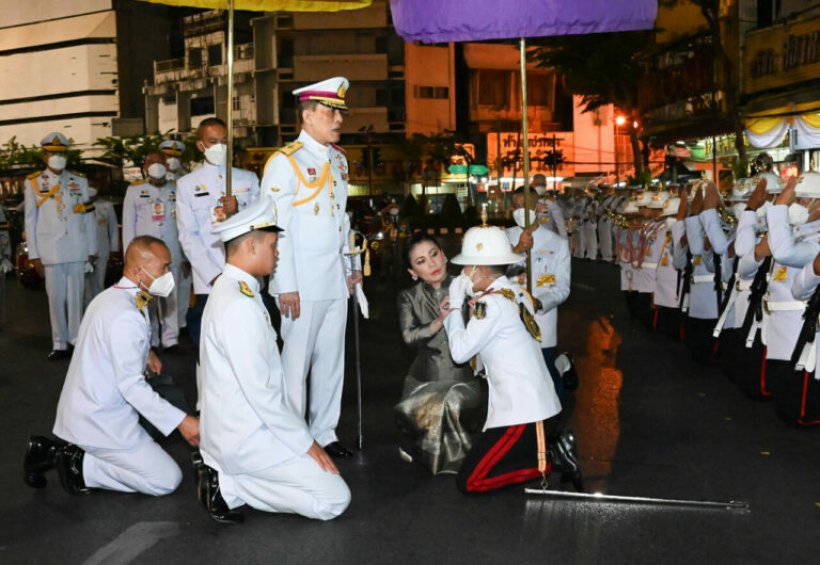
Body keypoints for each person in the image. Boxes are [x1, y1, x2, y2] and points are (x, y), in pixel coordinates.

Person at [196, 197, 351, 523]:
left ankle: (230, 480)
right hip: (246, 436)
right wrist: (307, 443)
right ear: (251, 245)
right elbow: (261, 393)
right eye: (272, 244)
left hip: (243, 428)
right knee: (334, 500)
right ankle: (228, 483)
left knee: (324, 486)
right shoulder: (239, 304)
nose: (277, 251)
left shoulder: (232, 291)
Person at [23, 236, 200, 496]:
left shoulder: (120, 295)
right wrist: (182, 422)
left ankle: (66, 452)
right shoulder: (125, 316)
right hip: (100, 417)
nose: (168, 274)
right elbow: (132, 386)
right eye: (163, 267)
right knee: (165, 479)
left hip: (92, 404)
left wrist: (145, 350)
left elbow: (122, 332)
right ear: (139, 271)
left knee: (165, 410)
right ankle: (76, 463)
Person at [441, 225, 582, 494]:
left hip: (524, 412)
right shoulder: (513, 292)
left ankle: (552, 461)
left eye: (466, 268)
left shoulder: (492, 304)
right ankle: (549, 448)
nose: (462, 274)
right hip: (530, 406)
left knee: (471, 482)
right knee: (486, 465)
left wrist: (454, 309)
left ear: (479, 271)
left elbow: (460, 352)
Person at [262, 76, 362, 458]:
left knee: (331, 362)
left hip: (335, 279)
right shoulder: (285, 162)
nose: (338, 119)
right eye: (329, 112)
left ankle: (325, 431)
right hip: (300, 281)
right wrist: (284, 282)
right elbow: (275, 228)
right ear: (307, 116)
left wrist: (352, 265)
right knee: (296, 365)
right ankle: (292, 437)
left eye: (339, 112)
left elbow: (343, 220)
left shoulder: (338, 159)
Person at [394, 232, 484, 474]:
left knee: (448, 402)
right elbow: (409, 337)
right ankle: (421, 446)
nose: (432, 264)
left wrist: (477, 314)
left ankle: (454, 455)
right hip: (423, 380)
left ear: (444, 256)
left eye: (434, 255)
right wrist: (439, 320)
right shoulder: (408, 297)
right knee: (425, 404)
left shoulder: (467, 286)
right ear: (412, 271)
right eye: (421, 261)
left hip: (463, 379)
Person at [176, 118, 260, 347]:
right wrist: (212, 273)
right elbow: (188, 234)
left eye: (224, 141)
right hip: (210, 278)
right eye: (213, 141)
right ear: (200, 145)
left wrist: (239, 208)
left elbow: (262, 221)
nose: (219, 147)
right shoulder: (186, 184)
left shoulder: (247, 179)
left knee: (247, 340)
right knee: (210, 343)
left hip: (246, 272)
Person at [24, 132, 97, 359]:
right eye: (53, 153)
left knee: (76, 297)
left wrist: (91, 250)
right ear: (45, 157)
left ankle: (75, 339)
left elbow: (88, 217)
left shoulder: (80, 180)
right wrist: (34, 255)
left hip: (76, 248)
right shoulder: (34, 182)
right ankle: (59, 343)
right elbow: (30, 220)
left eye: (61, 153)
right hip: (50, 251)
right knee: (55, 299)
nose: (57, 157)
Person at [506, 187, 571, 400]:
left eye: (524, 206)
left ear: (537, 208)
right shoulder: (503, 239)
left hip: (541, 322)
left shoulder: (557, 244)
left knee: (546, 378)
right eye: (515, 206)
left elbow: (562, 288)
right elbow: (491, 275)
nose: (520, 211)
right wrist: (516, 250)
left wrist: (540, 303)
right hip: (509, 322)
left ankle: (553, 422)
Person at [123, 152, 183, 351]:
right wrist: (129, 256)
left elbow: (183, 224)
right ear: (145, 166)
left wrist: (184, 254)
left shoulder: (176, 189)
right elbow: (129, 225)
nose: (157, 165)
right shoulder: (135, 190)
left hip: (171, 252)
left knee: (171, 296)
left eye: (161, 162)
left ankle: (171, 338)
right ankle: (150, 339)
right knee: (146, 298)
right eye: (152, 162)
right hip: (145, 257)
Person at [83, 187, 119, 306]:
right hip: (84, 252)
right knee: (86, 286)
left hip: (102, 250)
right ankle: (86, 312)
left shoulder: (106, 205)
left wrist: (114, 247)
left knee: (99, 283)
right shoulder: (78, 206)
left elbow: (113, 228)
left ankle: (99, 308)